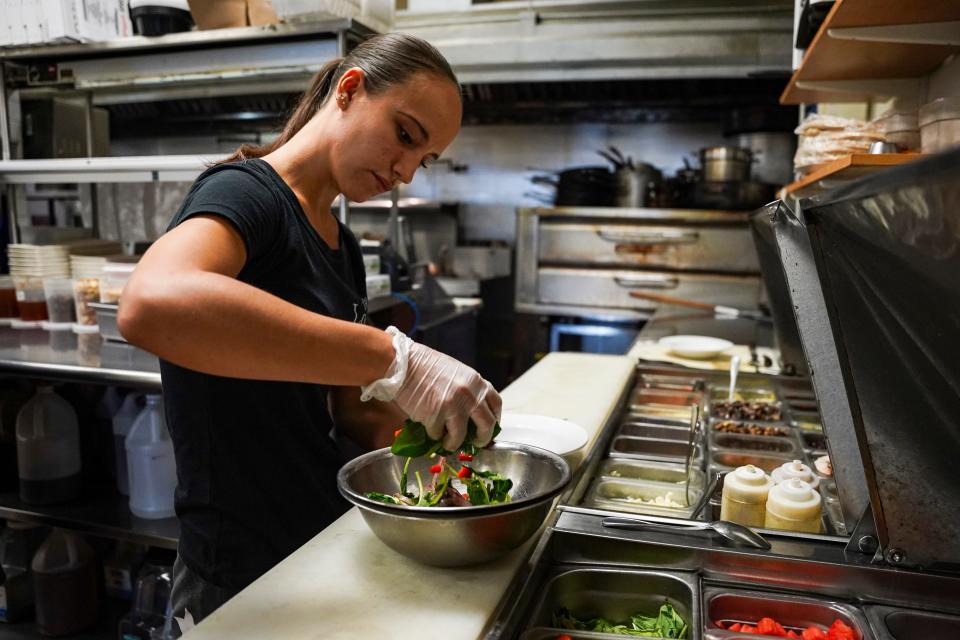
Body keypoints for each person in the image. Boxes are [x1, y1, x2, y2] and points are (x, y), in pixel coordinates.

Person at [118, 33, 501, 626]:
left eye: (423, 160)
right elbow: (152, 301)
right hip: (236, 572)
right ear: (349, 90)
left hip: (314, 545)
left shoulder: (340, 243)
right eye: (404, 135)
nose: (405, 172)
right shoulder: (247, 194)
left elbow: (351, 413)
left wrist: (454, 452)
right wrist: (396, 356)